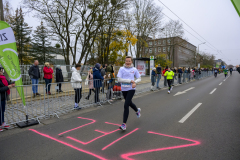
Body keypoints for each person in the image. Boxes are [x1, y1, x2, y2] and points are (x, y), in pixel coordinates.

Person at [117, 56, 141, 130]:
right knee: (129, 102)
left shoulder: (134, 69)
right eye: (126, 61)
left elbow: (139, 78)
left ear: (131, 62)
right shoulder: (121, 69)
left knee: (126, 104)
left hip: (131, 88)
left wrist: (135, 83)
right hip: (124, 89)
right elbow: (119, 79)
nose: (127, 62)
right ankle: (137, 110)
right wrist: (130, 81)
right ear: (125, 61)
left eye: (129, 61)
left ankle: (124, 124)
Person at [0, 67, 15, 132]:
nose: (2, 72)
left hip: (3, 97)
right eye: (0, 71)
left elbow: (8, 83)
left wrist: (12, 83)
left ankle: (2, 123)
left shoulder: (3, 77)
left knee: (2, 110)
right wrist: (7, 87)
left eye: (2, 71)